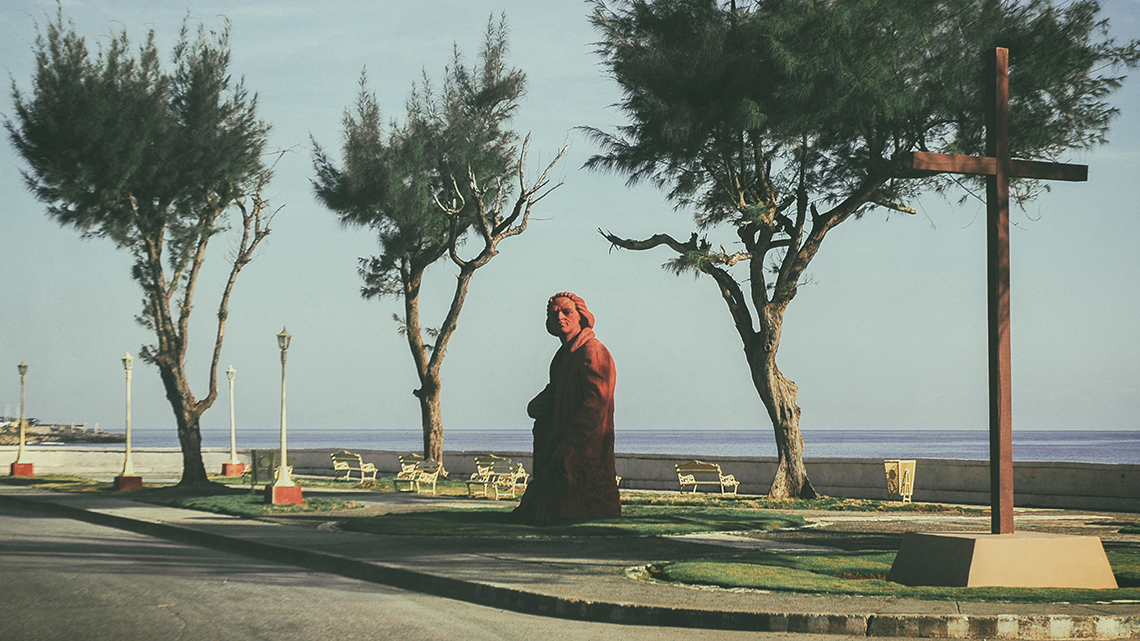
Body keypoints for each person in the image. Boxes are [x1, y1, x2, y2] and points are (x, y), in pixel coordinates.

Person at [512, 292, 621, 523]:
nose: (559, 317)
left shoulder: (592, 351)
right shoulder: (563, 357)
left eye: (566, 312)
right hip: (557, 440)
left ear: (581, 316)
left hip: (583, 446)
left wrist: (570, 443)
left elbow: (596, 403)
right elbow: (555, 391)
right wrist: (536, 405)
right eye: (553, 314)